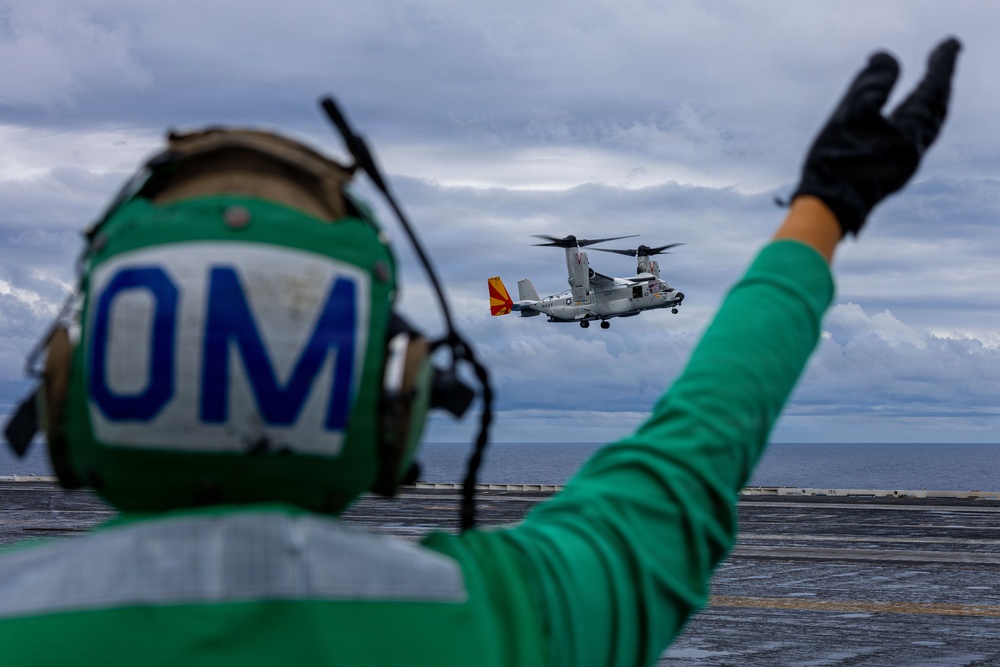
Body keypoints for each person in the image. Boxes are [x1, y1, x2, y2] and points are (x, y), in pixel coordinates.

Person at [0, 38, 961, 666]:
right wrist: (825, 208)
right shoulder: (510, 620)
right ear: (395, 398)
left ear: (66, 394)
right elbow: (696, 445)